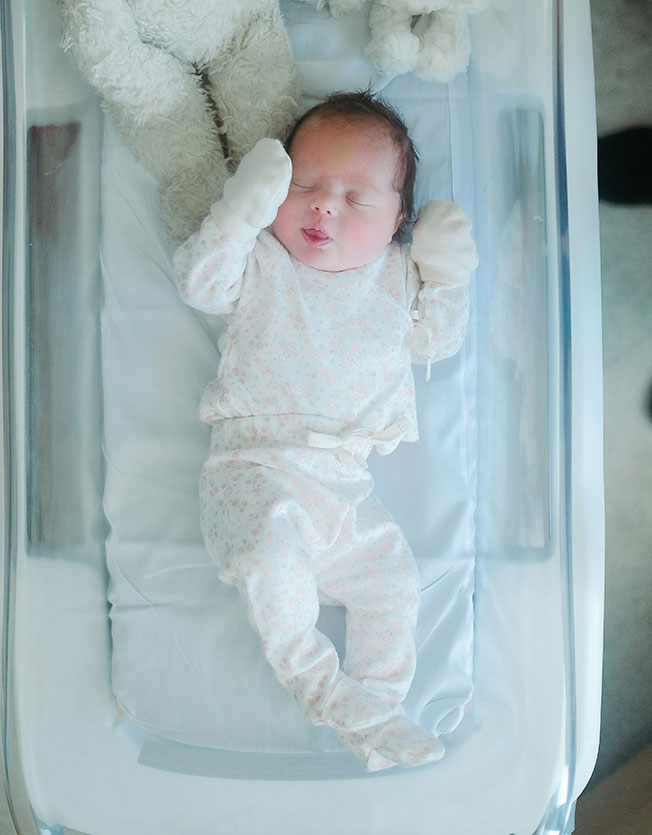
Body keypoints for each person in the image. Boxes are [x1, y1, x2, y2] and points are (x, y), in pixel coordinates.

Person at [173, 91, 478, 771]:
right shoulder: (261, 259)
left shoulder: (397, 278)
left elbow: (436, 340)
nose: (324, 206)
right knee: (270, 560)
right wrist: (238, 210)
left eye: (356, 198)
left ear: (399, 220)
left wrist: (447, 274)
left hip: (344, 490)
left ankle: (377, 712)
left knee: (393, 582)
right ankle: (326, 690)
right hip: (251, 469)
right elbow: (198, 282)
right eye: (303, 185)